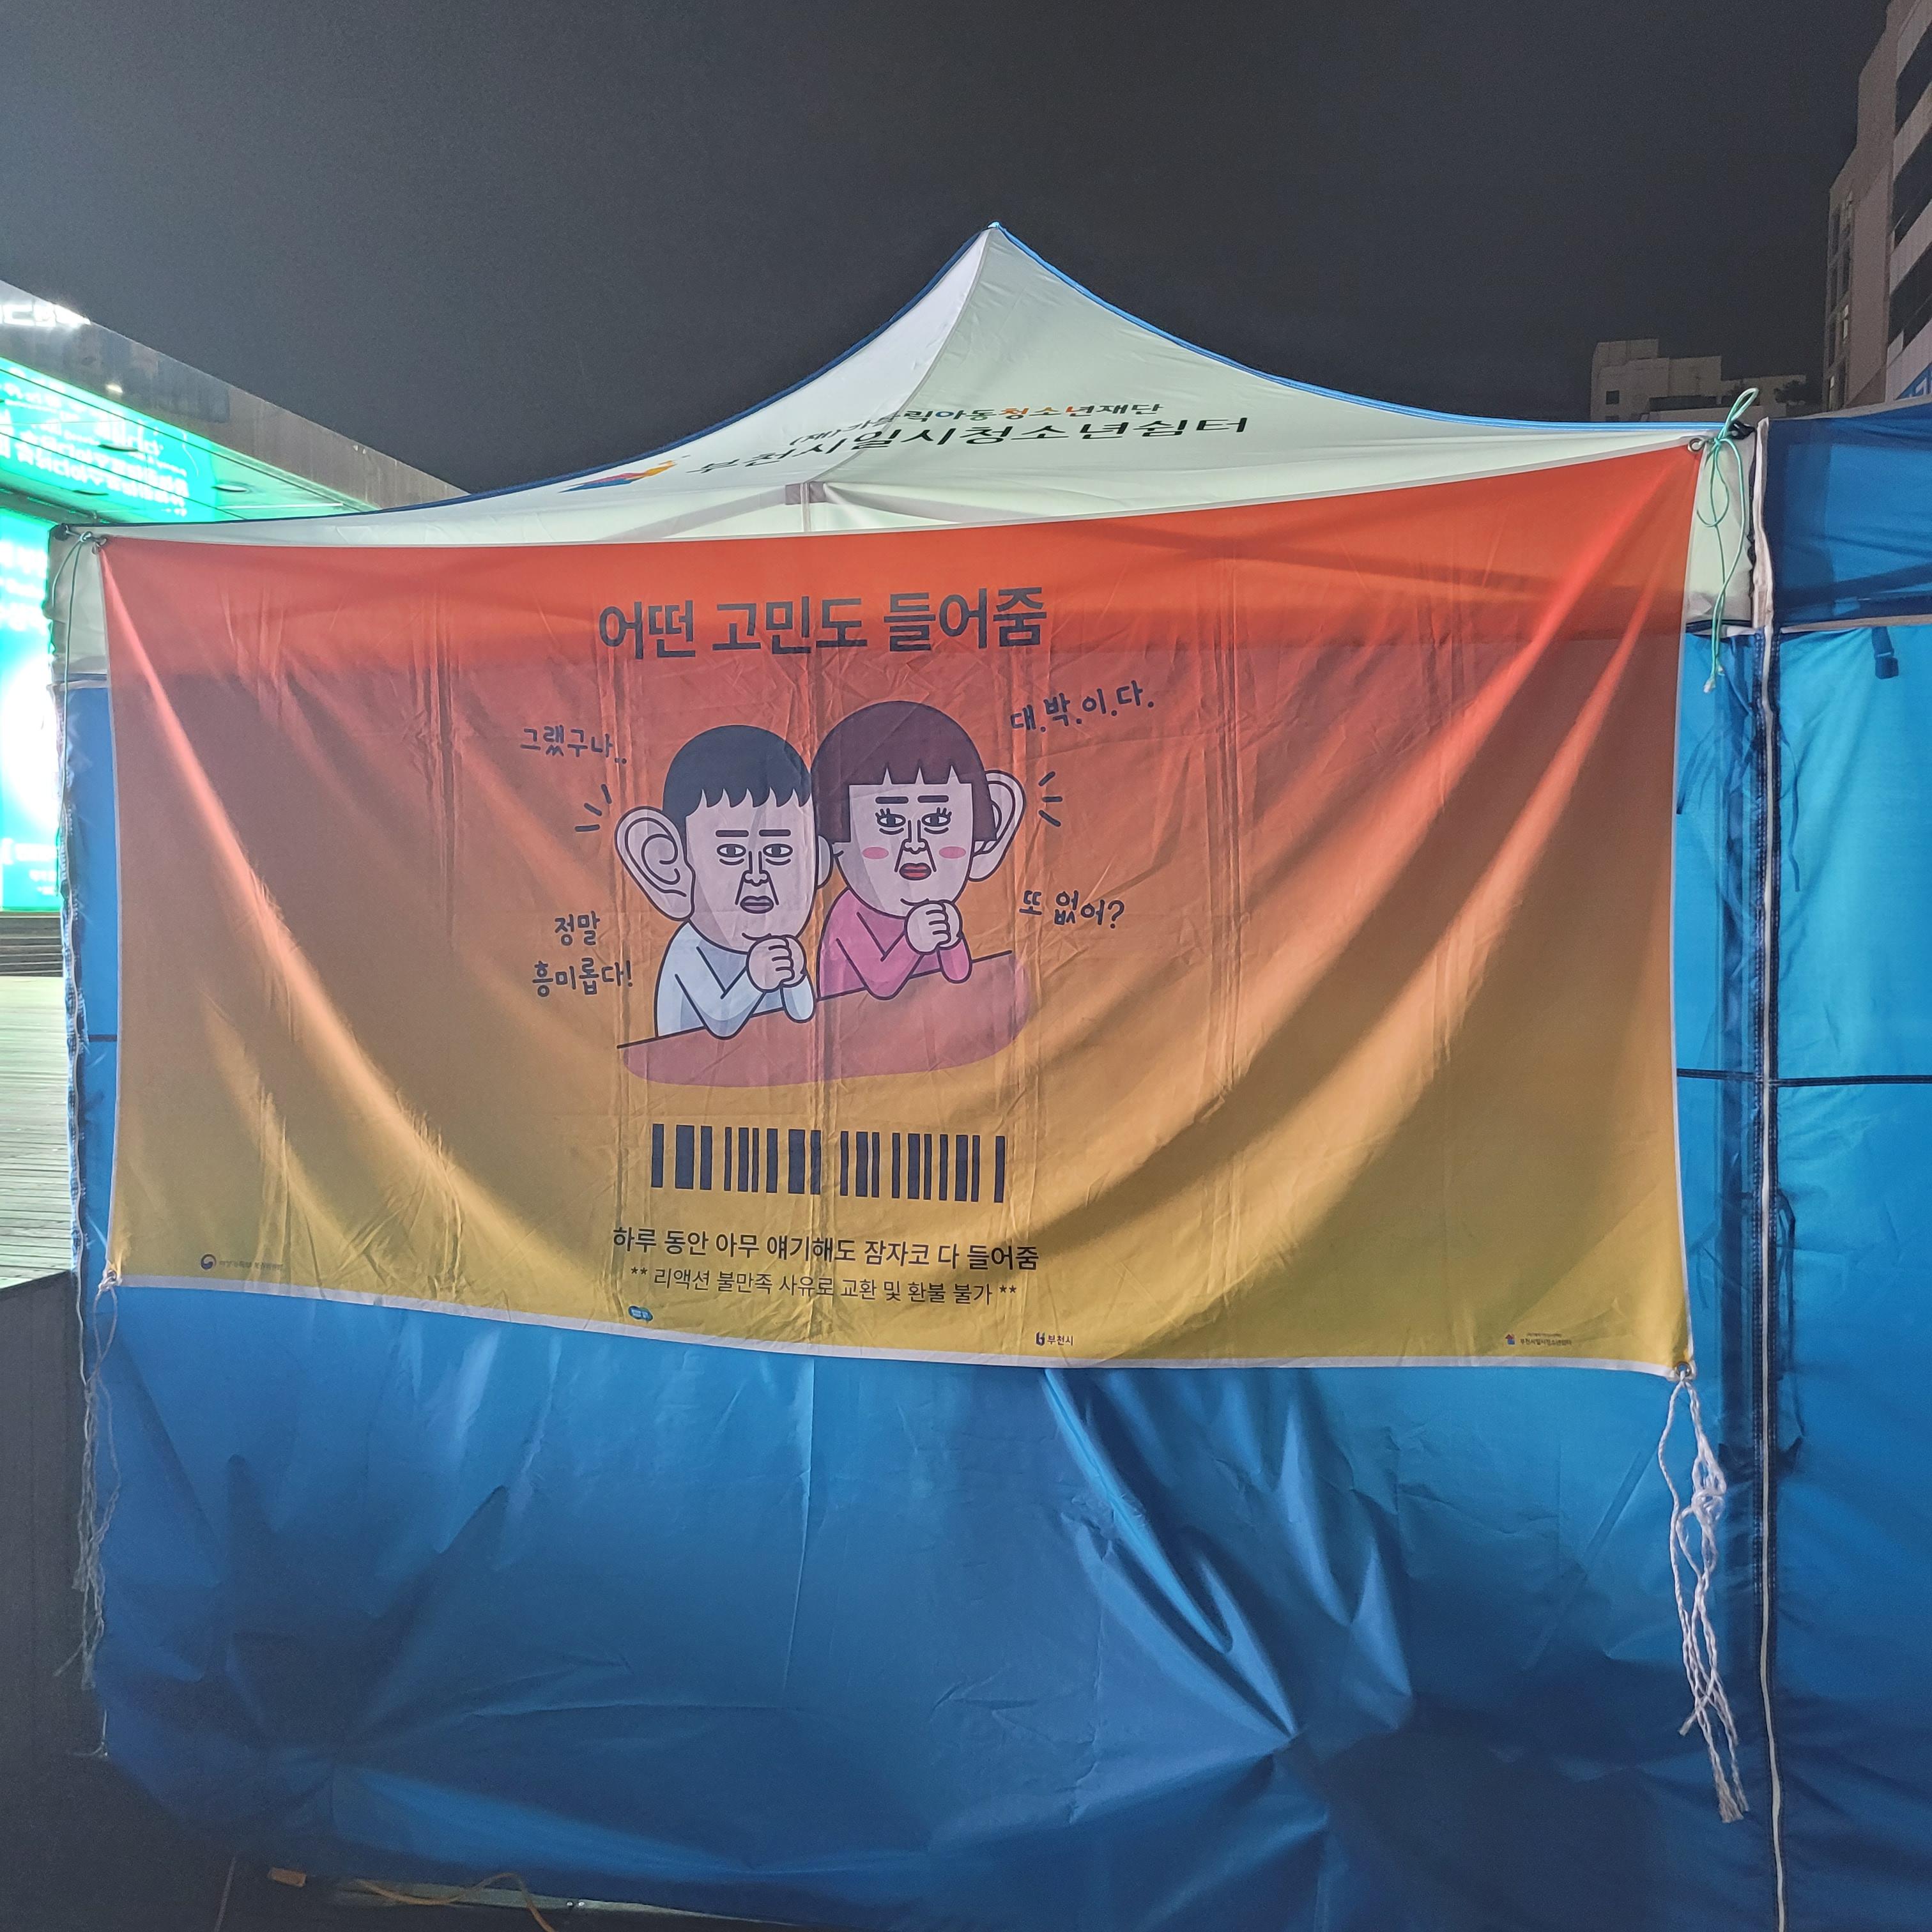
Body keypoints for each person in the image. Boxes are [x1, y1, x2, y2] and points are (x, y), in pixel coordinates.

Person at [615, 724, 829, 1039]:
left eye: (778, 852)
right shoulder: (689, 949)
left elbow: (804, 1013)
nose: (757, 875)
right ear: (668, 866)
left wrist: (796, 978)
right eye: (731, 852)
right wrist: (754, 981)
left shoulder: (779, 947)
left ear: (815, 863)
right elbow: (720, 1021)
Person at [811, 700, 1023, 1001]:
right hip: (863, 1027)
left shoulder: (936, 908)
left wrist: (952, 940)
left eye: (937, 820)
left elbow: (959, 974)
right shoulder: (850, 913)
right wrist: (913, 943)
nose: (914, 844)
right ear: (836, 840)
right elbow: (880, 985)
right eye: (889, 821)